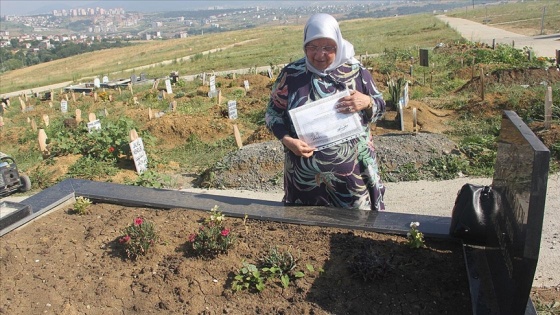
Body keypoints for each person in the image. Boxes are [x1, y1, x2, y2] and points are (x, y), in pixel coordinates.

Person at [265, 13, 386, 211]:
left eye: (328, 48)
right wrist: (287, 140)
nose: (319, 55)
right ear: (304, 45)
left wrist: (368, 102)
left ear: (338, 44)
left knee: (358, 234)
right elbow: (272, 113)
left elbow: (381, 107)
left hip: (353, 180)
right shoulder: (292, 74)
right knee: (307, 232)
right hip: (306, 180)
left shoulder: (356, 72)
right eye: (312, 47)